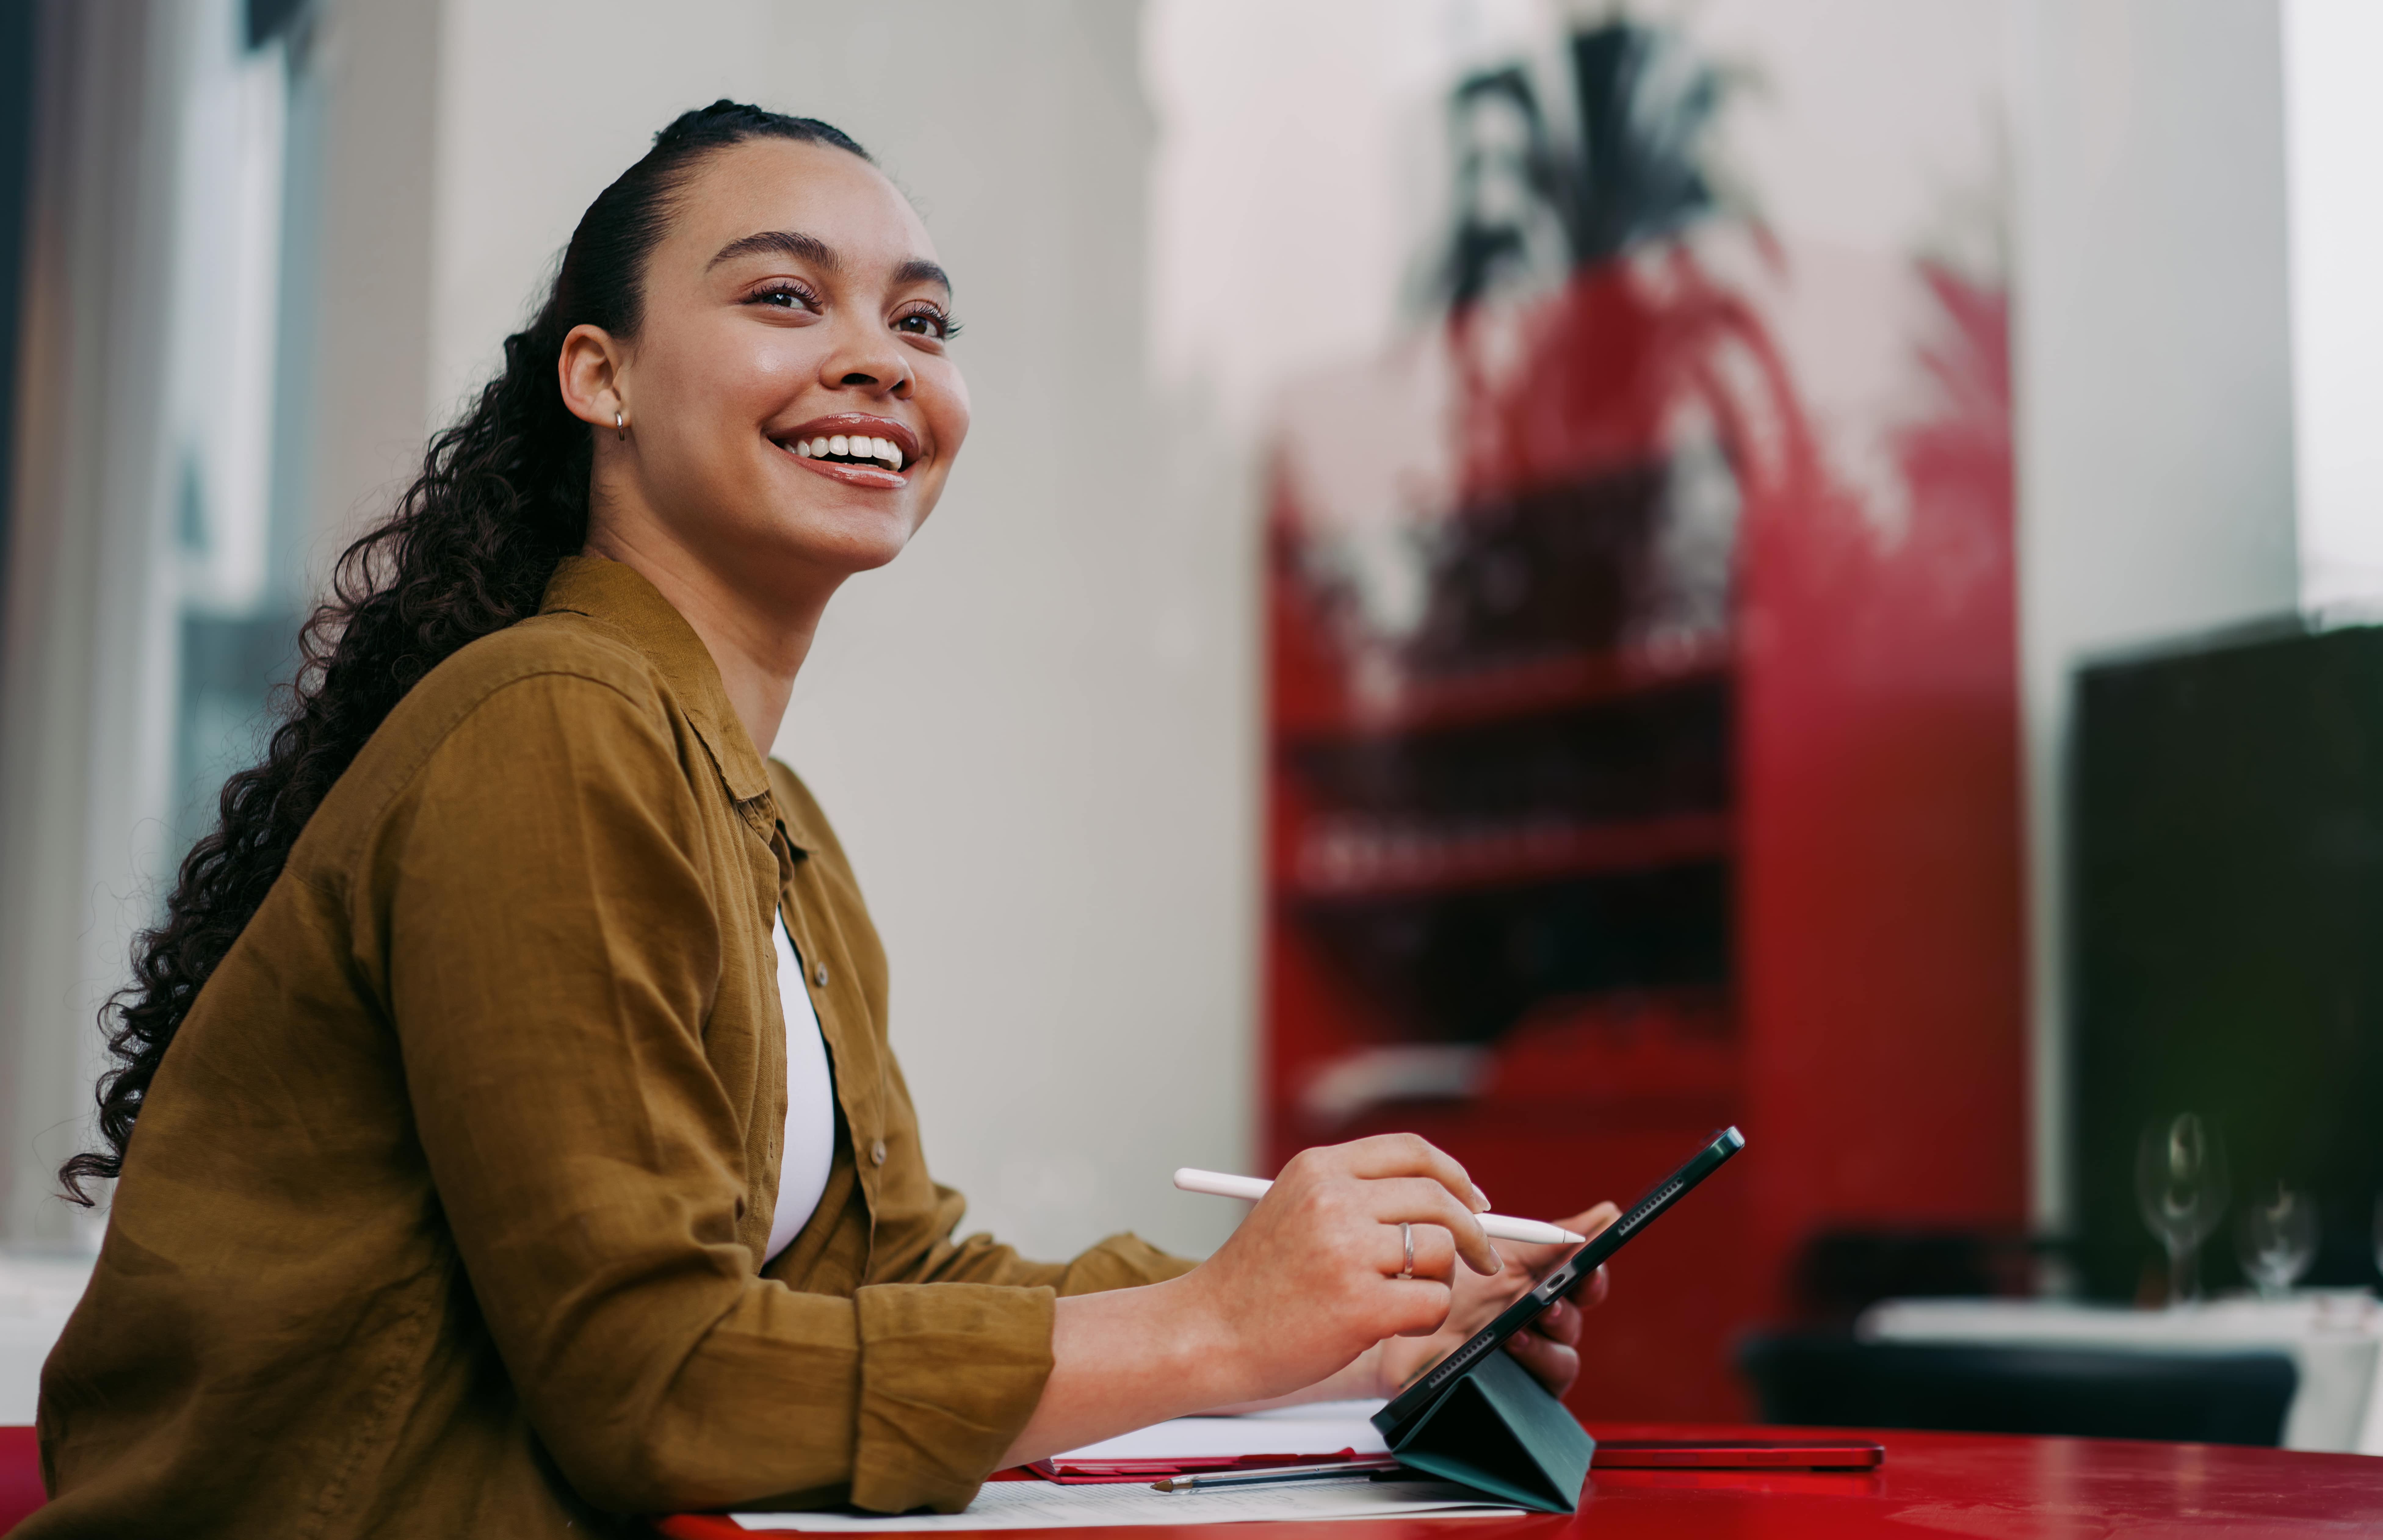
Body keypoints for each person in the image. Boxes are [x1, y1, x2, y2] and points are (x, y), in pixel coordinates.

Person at [27, 103, 1615, 1539]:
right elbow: (649, 1378)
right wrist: (1216, 1327)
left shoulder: (769, 822)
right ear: (604, 375)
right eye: (786, 296)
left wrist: (1352, 1318)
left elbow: (896, 1284)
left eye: (921, 319)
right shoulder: (551, 723)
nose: (880, 358)